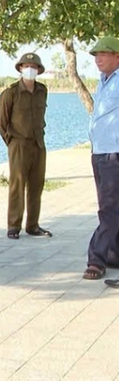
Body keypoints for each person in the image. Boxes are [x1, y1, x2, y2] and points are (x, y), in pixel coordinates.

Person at [0, 52, 50, 240]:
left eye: (34, 67)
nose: (30, 70)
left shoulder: (42, 91)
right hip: (19, 143)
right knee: (17, 185)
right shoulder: (10, 93)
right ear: (20, 68)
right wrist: (11, 142)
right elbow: (1, 122)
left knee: (37, 185)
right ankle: (13, 225)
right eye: (26, 66)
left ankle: (33, 225)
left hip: (38, 143)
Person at [82, 36, 119, 284]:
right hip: (100, 151)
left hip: (114, 152)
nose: (98, 59)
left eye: (103, 54)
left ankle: (96, 258)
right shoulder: (104, 81)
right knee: (111, 206)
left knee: (108, 208)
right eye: (96, 55)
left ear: (117, 56)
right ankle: (113, 254)